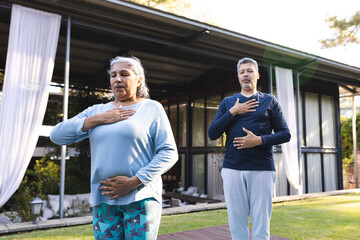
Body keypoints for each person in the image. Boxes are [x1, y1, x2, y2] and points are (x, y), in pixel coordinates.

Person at [50, 56, 178, 239]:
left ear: (139, 80)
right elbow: (57, 135)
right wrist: (100, 118)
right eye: (113, 75)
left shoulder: (151, 108)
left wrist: (134, 181)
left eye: (124, 74)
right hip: (104, 200)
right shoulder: (96, 111)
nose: (117, 79)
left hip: (140, 198)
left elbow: (169, 153)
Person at [208, 57, 291, 240]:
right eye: (242, 72)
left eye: (250, 71)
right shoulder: (228, 103)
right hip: (232, 168)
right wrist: (233, 112)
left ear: (257, 75)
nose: (246, 74)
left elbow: (285, 134)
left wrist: (259, 140)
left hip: (261, 169)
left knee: (261, 223)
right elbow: (212, 133)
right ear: (238, 77)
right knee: (237, 223)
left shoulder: (269, 101)